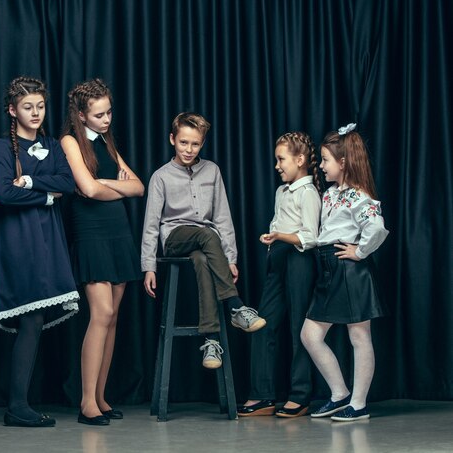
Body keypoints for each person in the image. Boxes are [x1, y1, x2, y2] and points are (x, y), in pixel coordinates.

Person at [142, 112, 266, 371]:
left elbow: (223, 216)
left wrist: (230, 258)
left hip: (205, 244)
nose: (189, 149)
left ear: (202, 143)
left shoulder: (212, 171)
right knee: (207, 235)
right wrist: (149, 266)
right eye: (184, 142)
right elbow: (152, 224)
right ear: (172, 139)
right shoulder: (161, 176)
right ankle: (235, 306)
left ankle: (211, 339)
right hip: (175, 237)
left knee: (202, 257)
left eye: (195, 144)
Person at [0, 77, 80, 427]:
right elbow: (3, 193)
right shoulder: (4, 147)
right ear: (13, 110)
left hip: (49, 239)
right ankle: (17, 405)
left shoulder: (53, 144)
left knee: (37, 320)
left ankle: (18, 404)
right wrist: (45, 196)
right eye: (28, 107)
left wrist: (28, 182)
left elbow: (69, 183)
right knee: (29, 319)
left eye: (40, 106)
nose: (36, 113)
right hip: (20, 239)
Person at [60, 78, 144, 426]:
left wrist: (109, 185)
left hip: (118, 231)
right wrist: (114, 185)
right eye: (98, 114)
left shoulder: (107, 142)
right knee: (101, 313)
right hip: (91, 233)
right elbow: (87, 190)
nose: (106, 119)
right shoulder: (69, 141)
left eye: (108, 112)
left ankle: (101, 397)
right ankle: (86, 402)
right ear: (81, 115)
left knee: (112, 318)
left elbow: (138, 187)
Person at [300, 123, 389, 422]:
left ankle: (359, 403)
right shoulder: (330, 195)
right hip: (328, 269)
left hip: (350, 271)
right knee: (310, 335)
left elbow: (376, 228)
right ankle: (340, 394)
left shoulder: (359, 196)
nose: (321, 166)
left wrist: (360, 252)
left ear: (343, 162)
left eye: (325, 160)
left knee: (359, 336)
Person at [238, 132, 322, 418]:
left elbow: (311, 237)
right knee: (263, 323)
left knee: (300, 327)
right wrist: (274, 239)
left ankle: (300, 395)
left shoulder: (309, 193)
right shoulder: (281, 191)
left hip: (300, 260)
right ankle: (262, 395)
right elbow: (279, 223)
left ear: (300, 160)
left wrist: (281, 236)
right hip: (279, 258)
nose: (277, 165)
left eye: (281, 159)